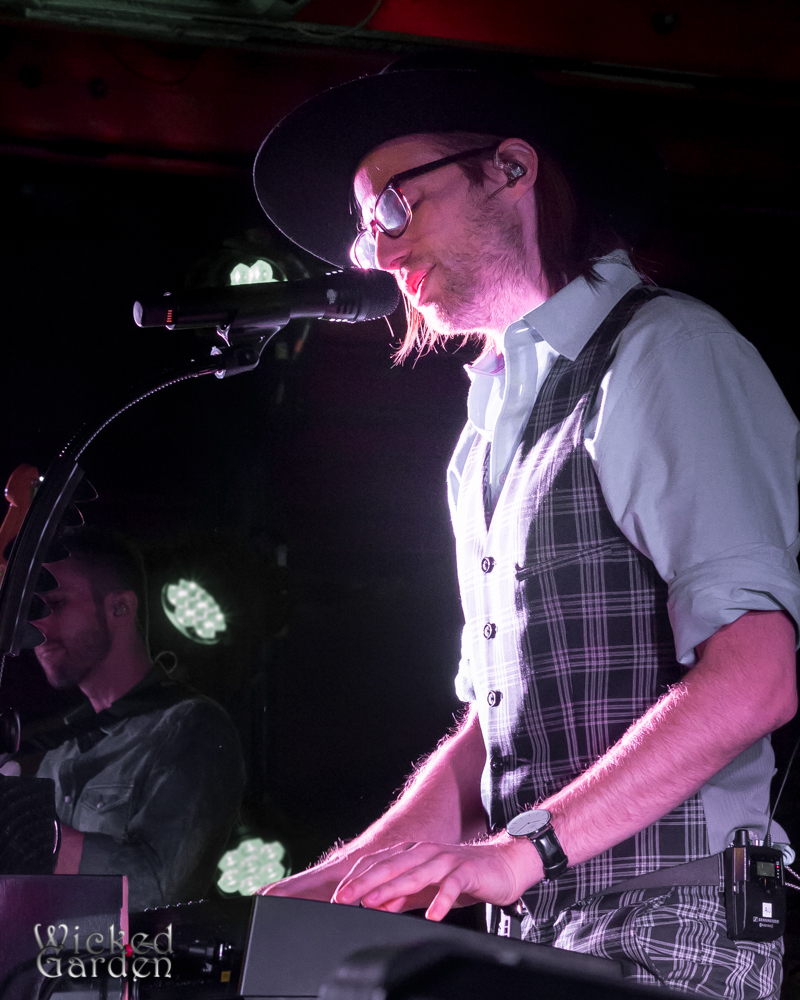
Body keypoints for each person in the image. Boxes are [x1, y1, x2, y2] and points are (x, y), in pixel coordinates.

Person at [251, 57, 800, 996]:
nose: (378, 252)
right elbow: (496, 735)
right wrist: (324, 890)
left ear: (511, 169)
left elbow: (756, 678)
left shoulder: (666, 351)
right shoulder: (483, 433)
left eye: (394, 206)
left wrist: (521, 851)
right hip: (543, 931)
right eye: (364, 228)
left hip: (675, 924)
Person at [32, 526, 245, 912]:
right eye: (35, 611)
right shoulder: (58, 751)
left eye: (57, 604)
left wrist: (31, 834)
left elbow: (159, 889)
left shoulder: (191, 726)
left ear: (120, 608)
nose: (38, 628)